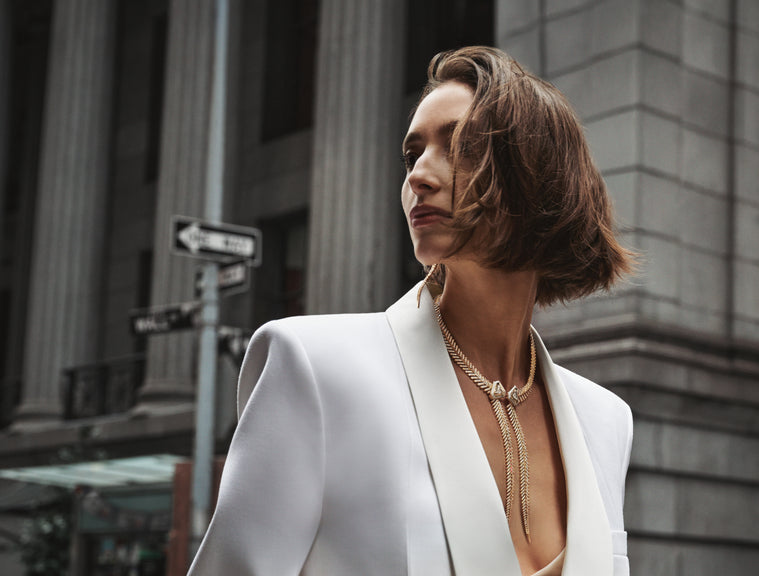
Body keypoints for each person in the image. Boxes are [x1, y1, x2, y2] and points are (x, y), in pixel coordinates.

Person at [187, 46, 635, 576]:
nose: (419, 175)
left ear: (539, 177)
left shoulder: (605, 422)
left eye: (461, 145)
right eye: (412, 154)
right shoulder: (315, 368)